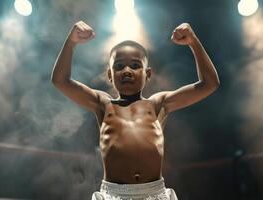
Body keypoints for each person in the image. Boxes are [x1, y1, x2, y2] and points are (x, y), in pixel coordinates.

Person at [51, 20, 220, 200]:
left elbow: (209, 84)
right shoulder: (103, 103)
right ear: (110, 75)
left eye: (135, 65)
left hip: (155, 193)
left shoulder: (158, 104)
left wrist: (193, 42)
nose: (126, 70)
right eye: (118, 66)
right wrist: (71, 41)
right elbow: (60, 80)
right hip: (114, 194)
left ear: (147, 74)